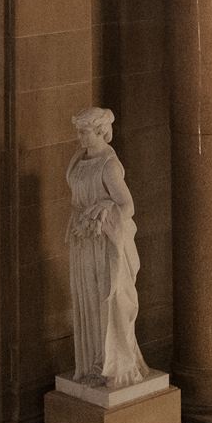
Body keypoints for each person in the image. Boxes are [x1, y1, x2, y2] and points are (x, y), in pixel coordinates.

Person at [66, 106, 147, 390]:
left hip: (106, 245)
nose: (79, 137)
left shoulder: (108, 165)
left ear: (100, 131)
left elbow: (128, 206)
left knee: (108, 302)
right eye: (78, 131)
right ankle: (93, 364)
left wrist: (104, 207)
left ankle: (115, 363)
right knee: (87, 299)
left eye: (84, 132)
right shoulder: (78, 160)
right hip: (84, 242)